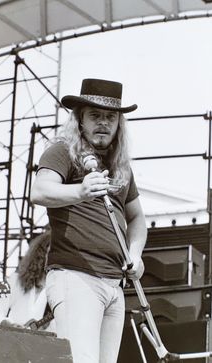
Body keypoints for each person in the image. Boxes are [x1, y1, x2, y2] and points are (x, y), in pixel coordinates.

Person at [31, 78, 147, 363]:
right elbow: (39, 190)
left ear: (119, 123)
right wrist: (80, 191)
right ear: (79, 119)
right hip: (76, 276)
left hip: (114, 284)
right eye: (95, 115)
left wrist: (136, 255)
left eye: (110, 117)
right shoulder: (62, 151)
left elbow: (137, 218)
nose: (103, 123)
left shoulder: (121, 165)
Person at [0, 230, 55, 332]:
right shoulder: (14, 279)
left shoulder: (58, 292)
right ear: (41, 254)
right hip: (8, 341)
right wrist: (7, 324)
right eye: (52, 252)